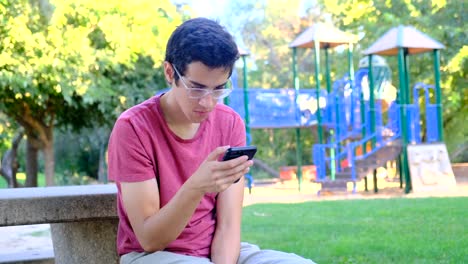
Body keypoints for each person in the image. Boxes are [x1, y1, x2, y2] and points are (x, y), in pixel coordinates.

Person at [108, 17, 315, 264]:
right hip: (151, 256)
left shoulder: (230, 123)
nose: (207, 102)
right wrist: (197, 186)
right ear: (169, 72)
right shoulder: (133, 127)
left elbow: (228, 226)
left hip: (217, 252)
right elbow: (151, 239)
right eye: (196, 88)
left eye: (218, 89)